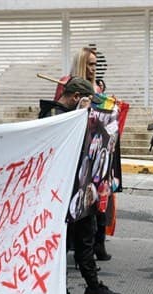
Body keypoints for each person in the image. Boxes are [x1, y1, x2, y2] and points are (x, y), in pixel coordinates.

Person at [39, 77, 124, 294]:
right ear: (77, 97)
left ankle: (93, 286)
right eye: (88, 101)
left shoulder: (77, 116)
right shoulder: (54, 115)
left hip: (81, 187)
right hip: (61, 193)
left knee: (86, 236)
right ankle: (59, 293)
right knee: (62, 245)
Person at [54, 46, 112, 261]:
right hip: (76, 154)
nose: (93, 68)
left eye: (95, 63)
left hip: (96, 150)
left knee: (98, 203)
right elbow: (59, 113)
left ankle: (95, 246)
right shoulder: (67, 82)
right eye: (90, 63)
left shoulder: (97, 85)